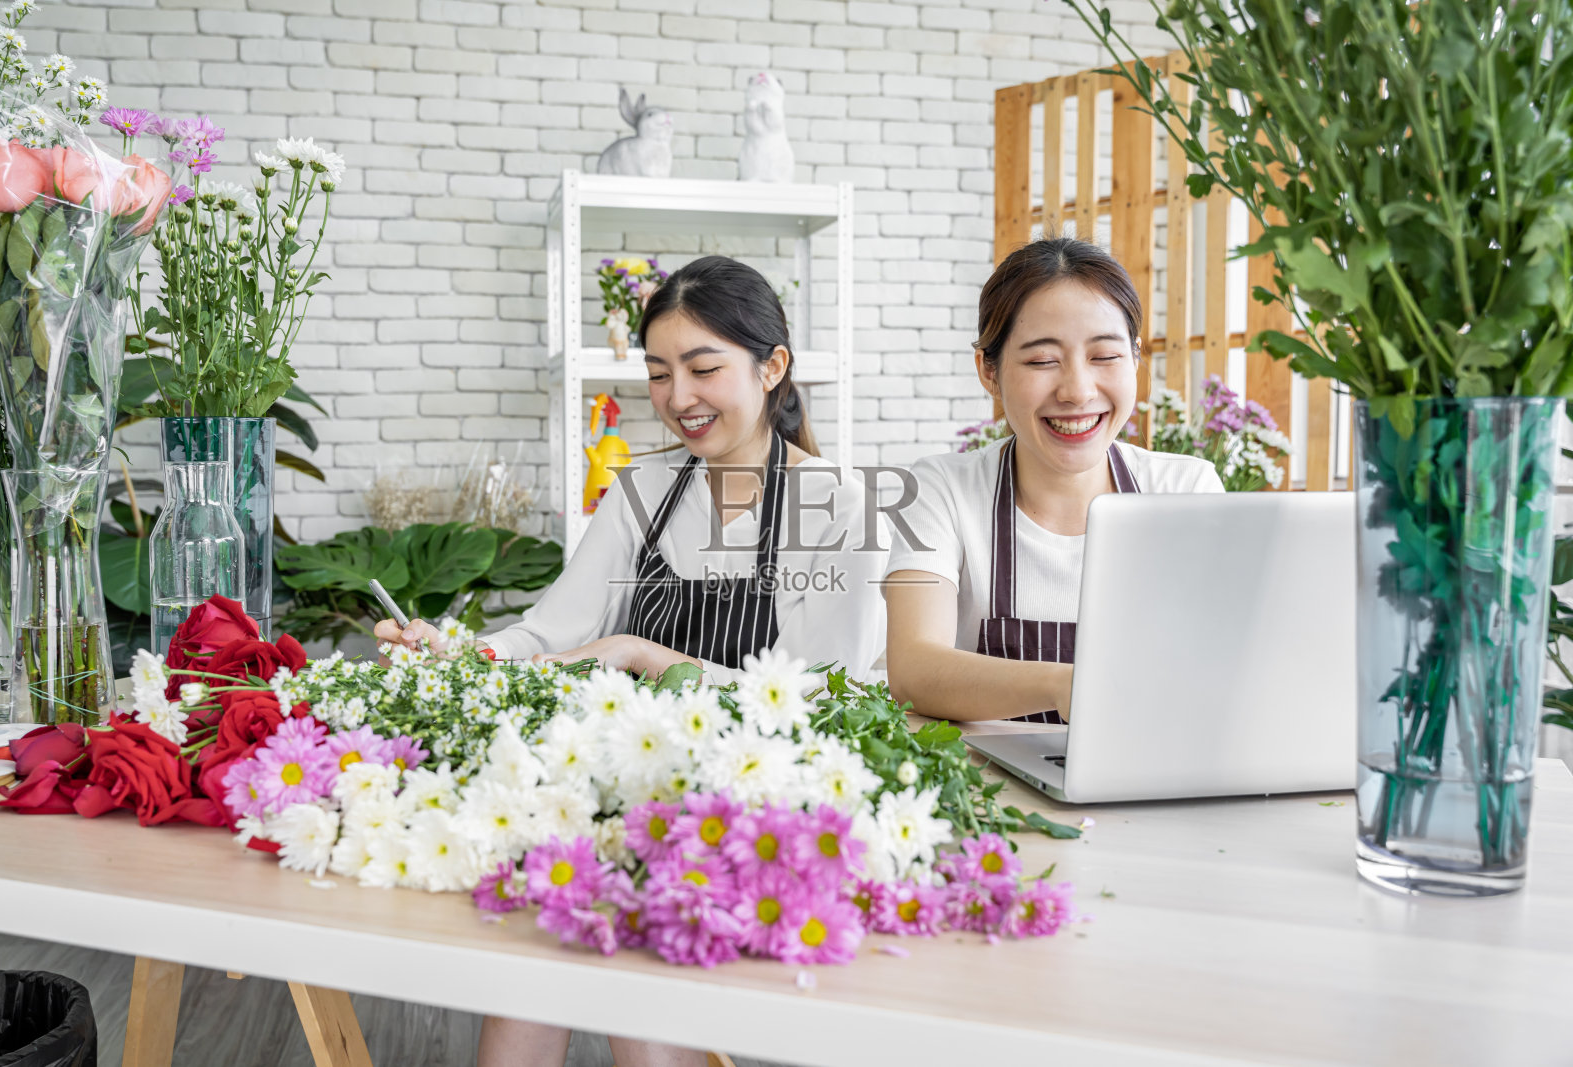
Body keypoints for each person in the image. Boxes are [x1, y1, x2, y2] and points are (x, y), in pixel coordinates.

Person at [375, 255, 887, 1067]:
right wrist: (457, 649)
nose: (678, 397)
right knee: (541, 952)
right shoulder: (643, 489)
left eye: (702, 367)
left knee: (612, 942)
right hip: (631, 785)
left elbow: (831, 700)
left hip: (754, 809)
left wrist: (648, 656)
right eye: (658, 373)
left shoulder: (839, 505)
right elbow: (550, 634)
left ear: (773, 367)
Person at [882, 237, 1224, 724]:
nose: (1078, 391)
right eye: (1043, 361)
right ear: (989, 370)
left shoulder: (1186, 491)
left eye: (1104, 356)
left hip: (1148, 783)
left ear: (1134, 357)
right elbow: (914, 669)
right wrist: (1068, 686)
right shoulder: (943, 490)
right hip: (989, 787)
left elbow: (1224, 663)